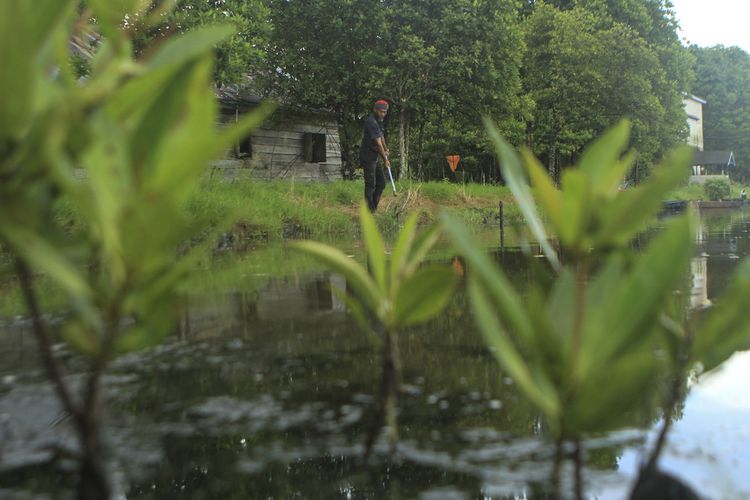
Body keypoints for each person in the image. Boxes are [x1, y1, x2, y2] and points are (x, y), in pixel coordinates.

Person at [360, 99, 391, 212]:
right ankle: (370, 212)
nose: (383, 114)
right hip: (368, 156)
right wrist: (385, 159)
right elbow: (378, 143)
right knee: (371, 184)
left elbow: (381, 136)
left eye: (385, 112)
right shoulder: (371, 122)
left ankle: (373, 207)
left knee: (381, 183)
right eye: (381, 111)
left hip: (374, 156)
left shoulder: (379, 121)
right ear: (375, 110)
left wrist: (386, 148)